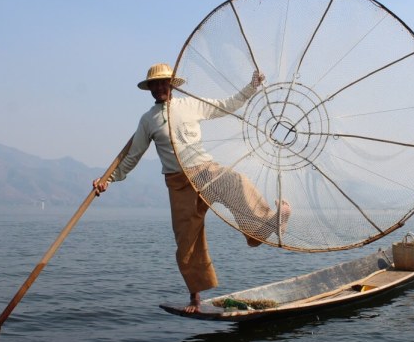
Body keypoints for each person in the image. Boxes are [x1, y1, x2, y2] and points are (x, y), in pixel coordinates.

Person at [94, 63, 291, 313]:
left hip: (204, 170)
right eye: (154, 85)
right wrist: (107, 180)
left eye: (163, 83)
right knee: (187, 240)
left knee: (237, 183)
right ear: (150, 89)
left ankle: (270, 223)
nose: (159, 88)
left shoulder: (190, 105)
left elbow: (226, 105)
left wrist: (251, 87)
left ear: (171, 85)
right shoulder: (147, 120)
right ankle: (195, 299)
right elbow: (133, 156)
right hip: (178, 183)